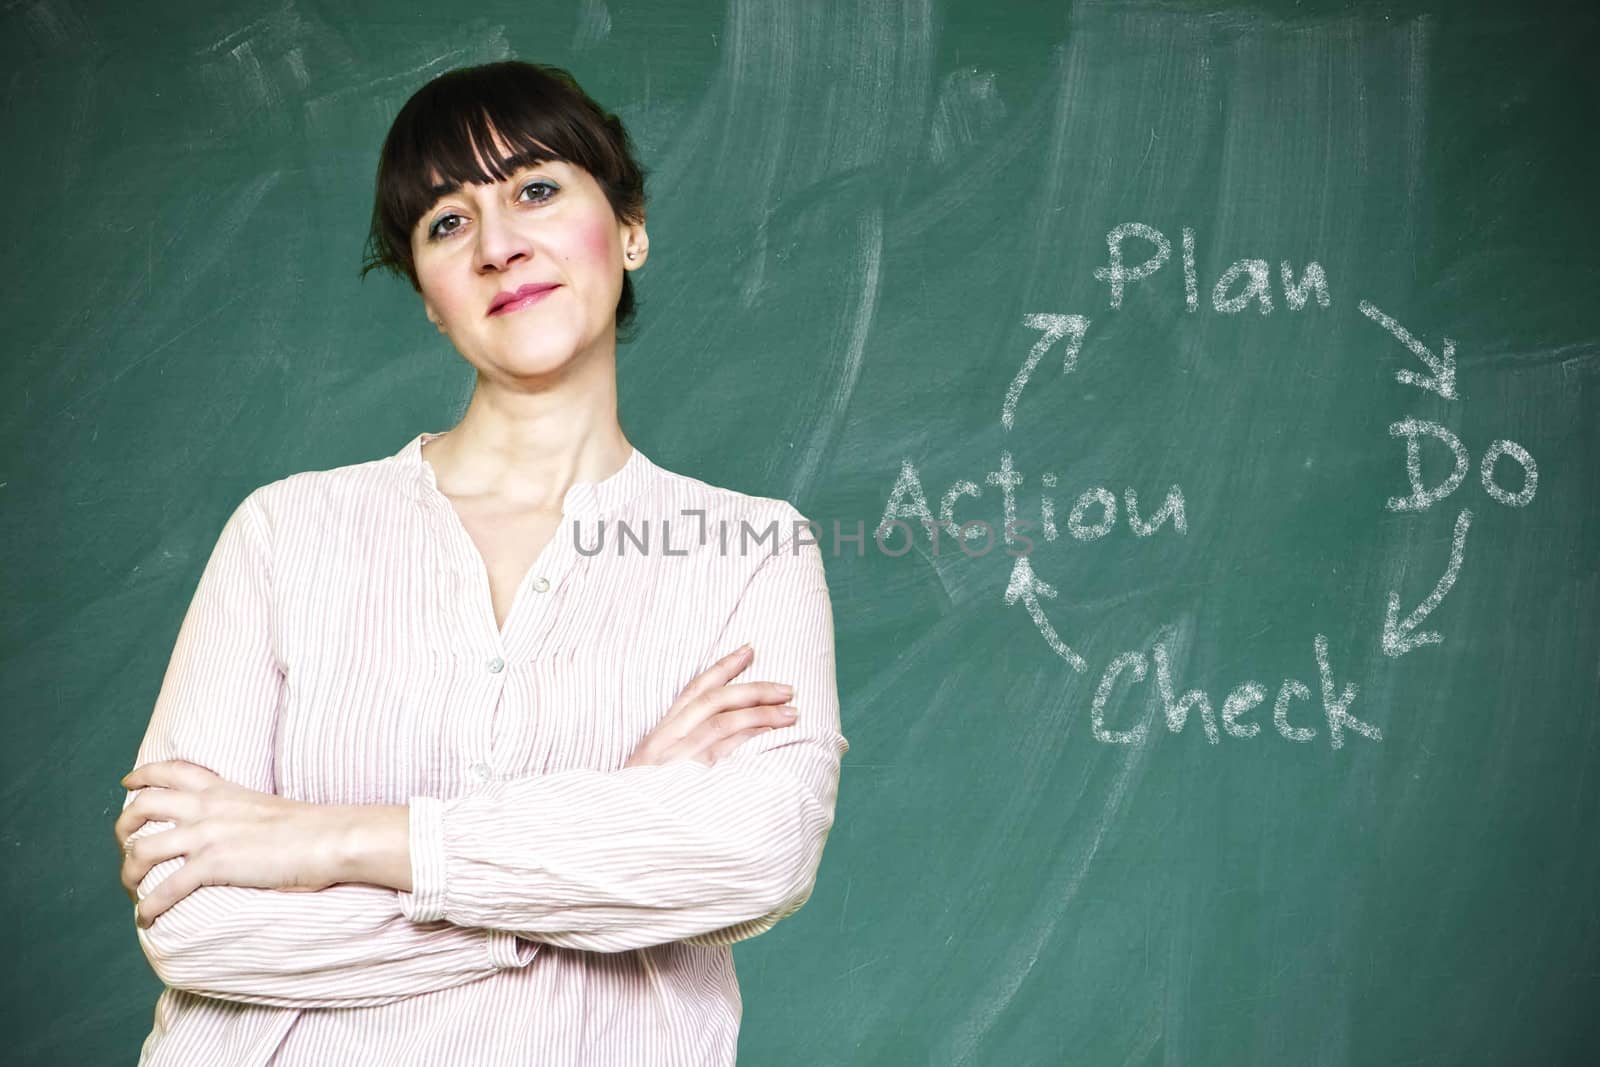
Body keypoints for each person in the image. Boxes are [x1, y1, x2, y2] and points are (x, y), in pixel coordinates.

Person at [113, 60, 849, 1066]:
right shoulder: (284, 533)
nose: (500, 245)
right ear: (427, 294)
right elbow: (188, 912)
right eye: (447, 223)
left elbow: (753, 854)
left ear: (629, 227)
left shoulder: (749, 550)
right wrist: (608, 832)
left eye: (536, 190)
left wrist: (329, 840)